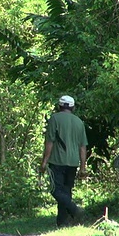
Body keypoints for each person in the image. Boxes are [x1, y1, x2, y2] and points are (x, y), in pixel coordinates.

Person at [40, 95, 88, 227]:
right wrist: (83, 167)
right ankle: (62, 223)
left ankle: (74, 209)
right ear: (72, 107)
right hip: (73, 162)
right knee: (66, 191)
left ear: (59, 106)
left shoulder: (55, 118)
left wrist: (44, 162)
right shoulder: (79, 122)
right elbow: (83, 147)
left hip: (57, 161)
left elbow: (50, 142)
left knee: (55, 190)